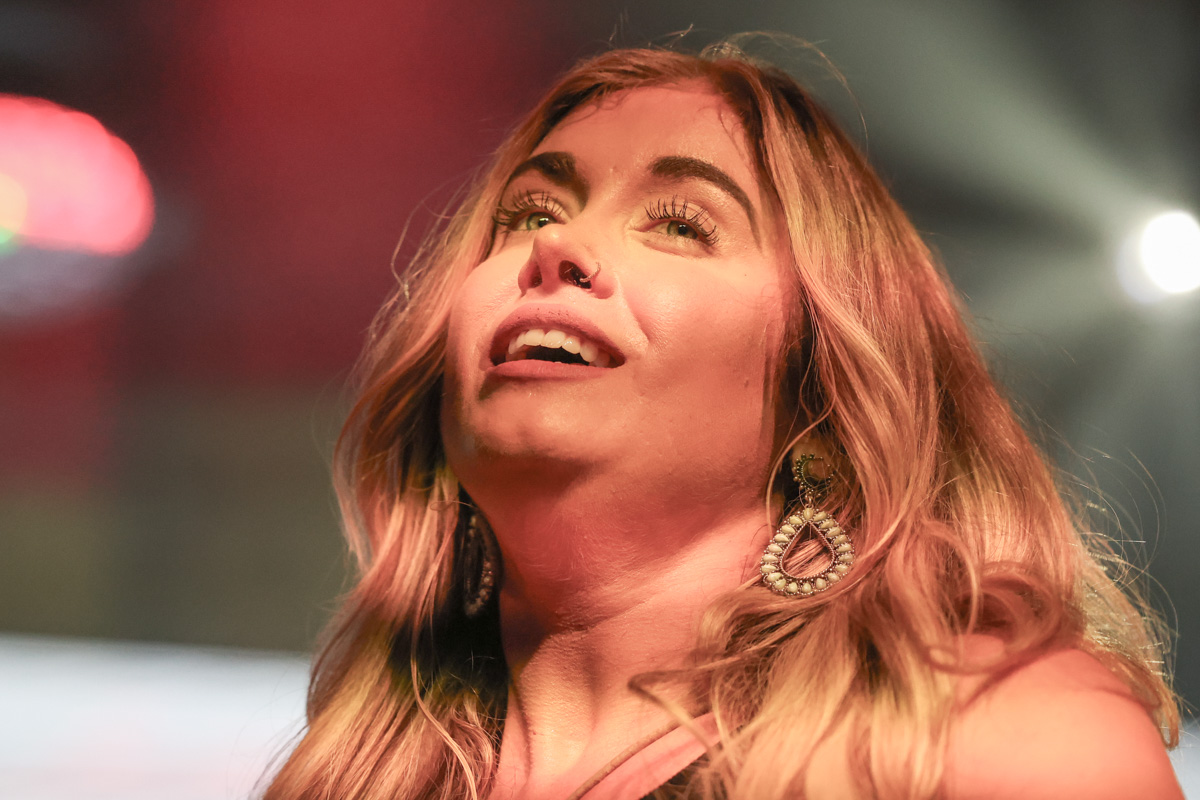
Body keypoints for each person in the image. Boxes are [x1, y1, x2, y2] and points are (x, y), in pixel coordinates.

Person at [263, 40, 1182, 799]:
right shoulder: (351, 771)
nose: (557, 245)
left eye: (680, 224)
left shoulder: (1000, 736)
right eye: (528, 212)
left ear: (821, 394)